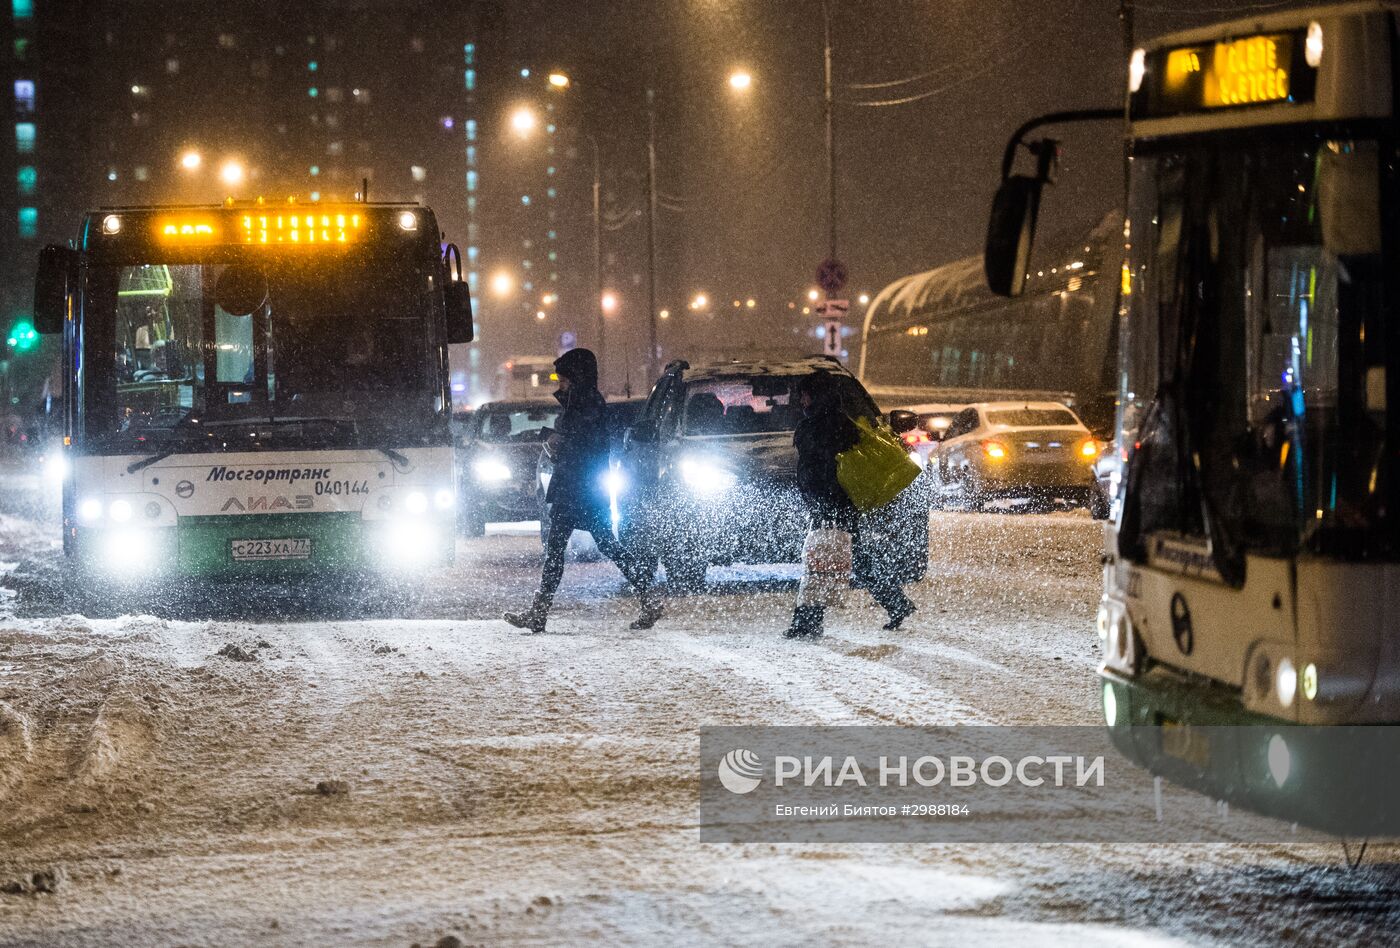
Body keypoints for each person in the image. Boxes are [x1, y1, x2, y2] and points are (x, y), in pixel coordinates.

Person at [503, 348, 663, 634]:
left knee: (568, 549)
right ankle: (647, 599)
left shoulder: (586, 404)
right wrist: (555, 442)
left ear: (576, 378)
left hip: (579, 488)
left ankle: (540, 613)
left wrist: (552, 439)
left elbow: (581, 444)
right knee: (588, 546)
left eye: (564, 381)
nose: (560, 386)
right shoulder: (582, 402)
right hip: (580, 486)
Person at [786, 371, 915, 639]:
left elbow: (821, 472)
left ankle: (807, 621)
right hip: (840, 503)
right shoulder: (844, 423)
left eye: (805, 394)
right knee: (852, 557)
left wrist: (820, 500)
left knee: (821, 560)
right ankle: (896, 603)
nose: (802, 400)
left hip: (830, 505)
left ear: (817, 395)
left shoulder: (817, 428)